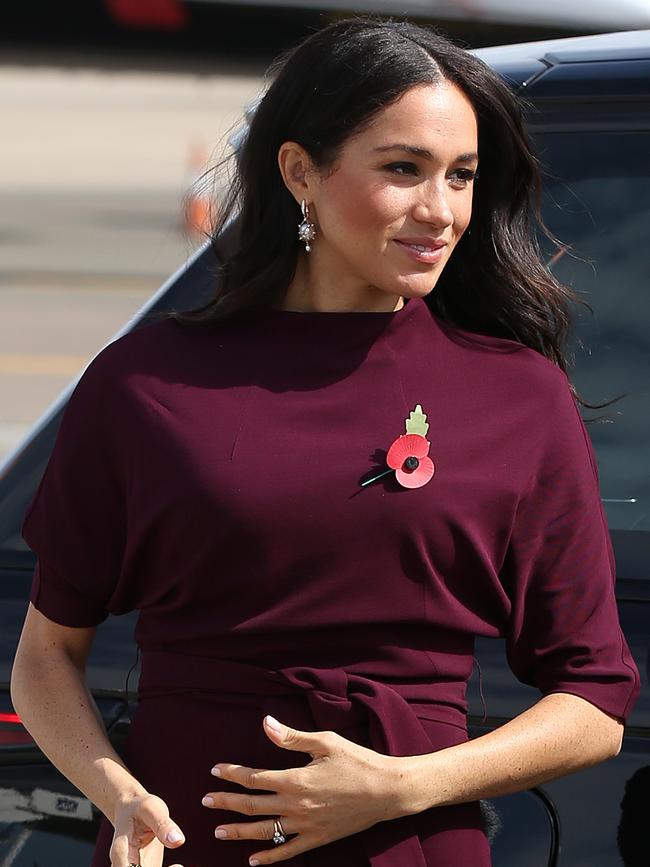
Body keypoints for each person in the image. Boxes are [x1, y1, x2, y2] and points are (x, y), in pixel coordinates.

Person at [10, 17, 640, 867]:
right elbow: (47, 655)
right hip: (192, 845)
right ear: (301, 171)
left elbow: (596, 701)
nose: (441, 211)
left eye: (461, 176)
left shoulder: (516, 395)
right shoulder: (146, 382)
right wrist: (121, 799)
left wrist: (407, 785)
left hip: (412, 842)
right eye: (403, 169)